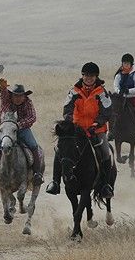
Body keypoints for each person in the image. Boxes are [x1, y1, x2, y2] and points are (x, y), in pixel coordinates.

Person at [46, 62, 114, 199]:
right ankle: (55, 182)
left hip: (96, 129)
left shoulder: (102, 92)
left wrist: (97, 123)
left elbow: (107, 111)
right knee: (59, 148)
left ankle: (106, 185)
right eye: (86, 75)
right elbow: (67, 109)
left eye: (92, 76)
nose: (89, 78)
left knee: (106, 151)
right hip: (77, 130)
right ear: (82, 76)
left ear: (96, 77)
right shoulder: (74, 91)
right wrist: (72, 123)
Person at [0, 78, 44, 186]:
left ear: (24, 96)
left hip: (22, 129)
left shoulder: (28, 103)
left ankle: (37, 174)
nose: (18, 98)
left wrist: (19, 124)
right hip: (6, 129)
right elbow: (3, 94)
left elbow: (32, 117)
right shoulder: (6, 99)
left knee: (33, 146)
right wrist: (2, 88)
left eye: (20, 95)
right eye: (15, 95)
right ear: (11, 95)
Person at [111, 53, 135, 140]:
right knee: (112, 111)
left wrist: (129, 91)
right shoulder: (118, 75)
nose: (126, 65)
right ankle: (111, 132)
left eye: (127, 64)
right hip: (121, 97)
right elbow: (115, 86)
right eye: (124, 63)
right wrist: (119, 91)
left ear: (131, 64)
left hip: (133, 97)